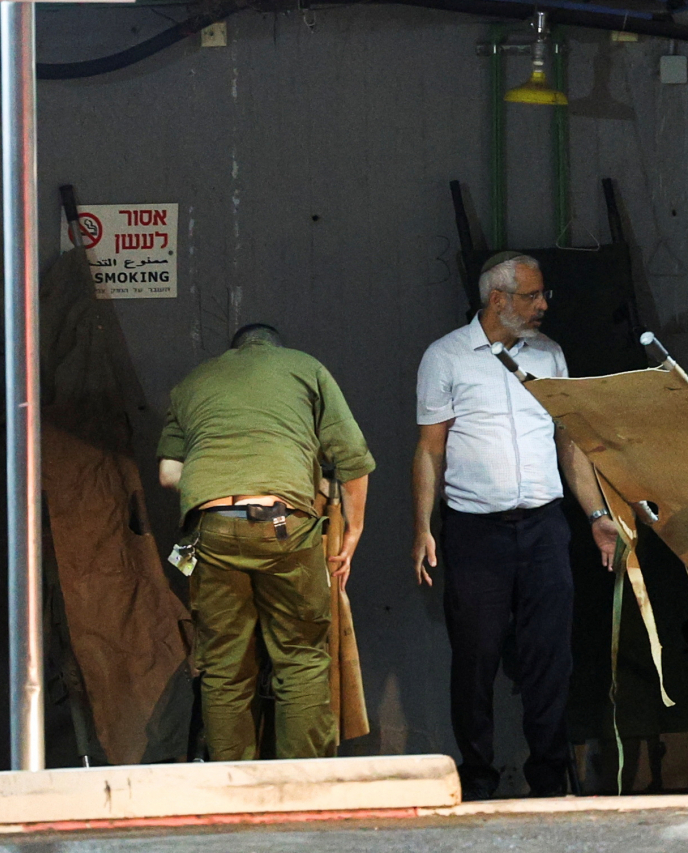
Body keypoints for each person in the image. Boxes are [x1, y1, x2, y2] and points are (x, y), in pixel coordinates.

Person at [412, 252, 618, 800]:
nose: (544, 304)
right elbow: (430, 448)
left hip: (545, 527)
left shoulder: (550, 356)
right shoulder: (447, 357)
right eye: (533, 296)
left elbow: (567, 442)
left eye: (543, 294)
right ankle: (477, 780)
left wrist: (597, 516)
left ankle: (548, 781)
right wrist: (423, 527)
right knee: (475, 658)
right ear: (498, 299)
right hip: (476, 532)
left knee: (550, 657)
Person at [157, 323, 375, 761]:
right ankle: (302, 789)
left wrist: (222, 483)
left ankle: (231, 790)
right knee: (300, 658)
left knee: (223, 667)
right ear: (277, 349)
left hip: (212, 526)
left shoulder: (194, 381)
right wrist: (352, 532)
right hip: (282, 522)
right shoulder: (306, 369)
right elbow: (351, 456)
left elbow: (168, 474)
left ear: (234, 352)